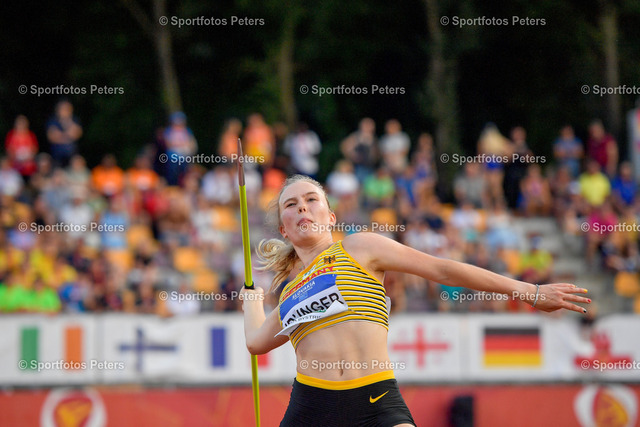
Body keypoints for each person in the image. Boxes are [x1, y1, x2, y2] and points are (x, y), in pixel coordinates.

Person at [240, 175, 591, 427]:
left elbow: (443, 270)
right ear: (284, 229)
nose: (302, 207)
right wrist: (252, 301)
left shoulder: (360, 247)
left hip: (374, 398)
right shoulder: (291, 290)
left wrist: (531, 292)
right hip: (312, 405)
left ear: (330, 217)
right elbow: (257, 342)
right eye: (291, 205)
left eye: (311, 199)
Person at [46, 100, 83, 167]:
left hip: (72, 154)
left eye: (67, 109)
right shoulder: (52, 121)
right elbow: (52, 137)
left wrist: (61, 135)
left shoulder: (74, 120)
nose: (65, 111)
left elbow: (78, 134)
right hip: (57, 155)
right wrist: (68, 135)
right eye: (63, 108)